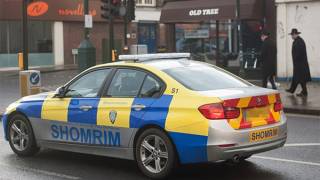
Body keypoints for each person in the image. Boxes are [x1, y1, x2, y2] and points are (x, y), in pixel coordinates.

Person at [286, 28, 311, 97]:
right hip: (299, 64)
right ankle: (292, 90)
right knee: (297, 78)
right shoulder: (298, 41)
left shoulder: (299, 42)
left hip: (300, 64)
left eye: (292, 35)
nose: (291, 36)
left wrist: (296, 60)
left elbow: (299, 53)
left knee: (300, 78)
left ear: (295, 34)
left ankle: (304, 92)